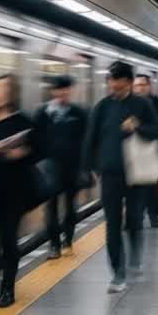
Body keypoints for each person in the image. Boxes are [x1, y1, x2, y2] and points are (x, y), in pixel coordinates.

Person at [82, 61, 158, 293]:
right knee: (112, 224)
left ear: (127, 81)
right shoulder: (102, 107)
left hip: (136, 173)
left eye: (116, 79)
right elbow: (90, 138)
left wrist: (138, 126)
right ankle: (118, 273)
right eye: (110, 79)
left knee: (134, 219)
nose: (112, 84)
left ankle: (135, 257)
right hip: (110, 174)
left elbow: (157, 130)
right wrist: (89, 169)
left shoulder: (142, 105)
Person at [0, 74, 39, 307]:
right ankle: (1, 266)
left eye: (2, 89)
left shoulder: (23, 122)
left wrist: (22, 154)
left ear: (12, 93)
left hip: (12, 190)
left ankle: (7, 289)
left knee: (8, 239)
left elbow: (37, 150)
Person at [35, 75, 89, 259]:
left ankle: (68, 240)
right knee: (51, 208)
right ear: (54, 91)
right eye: (60, 89)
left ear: (70, 91)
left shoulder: (78, 113)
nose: (63, 93)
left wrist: (85, 165)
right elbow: (36, 139)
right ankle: (54, 245)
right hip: (50, 169)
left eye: (67, 89)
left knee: (70, 207)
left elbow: (85, 139)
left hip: (72, 168)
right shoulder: (43, 113)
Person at [133, 73, 158, 228]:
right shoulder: (130, 103)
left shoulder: (157, 103)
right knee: (136, 186)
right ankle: (137, 216)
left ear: (149, 86)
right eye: (137, 85)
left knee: (153, 186)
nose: (140, 88)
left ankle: (154, 216)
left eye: (143, 85)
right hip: (135, 151)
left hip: (153, 149)